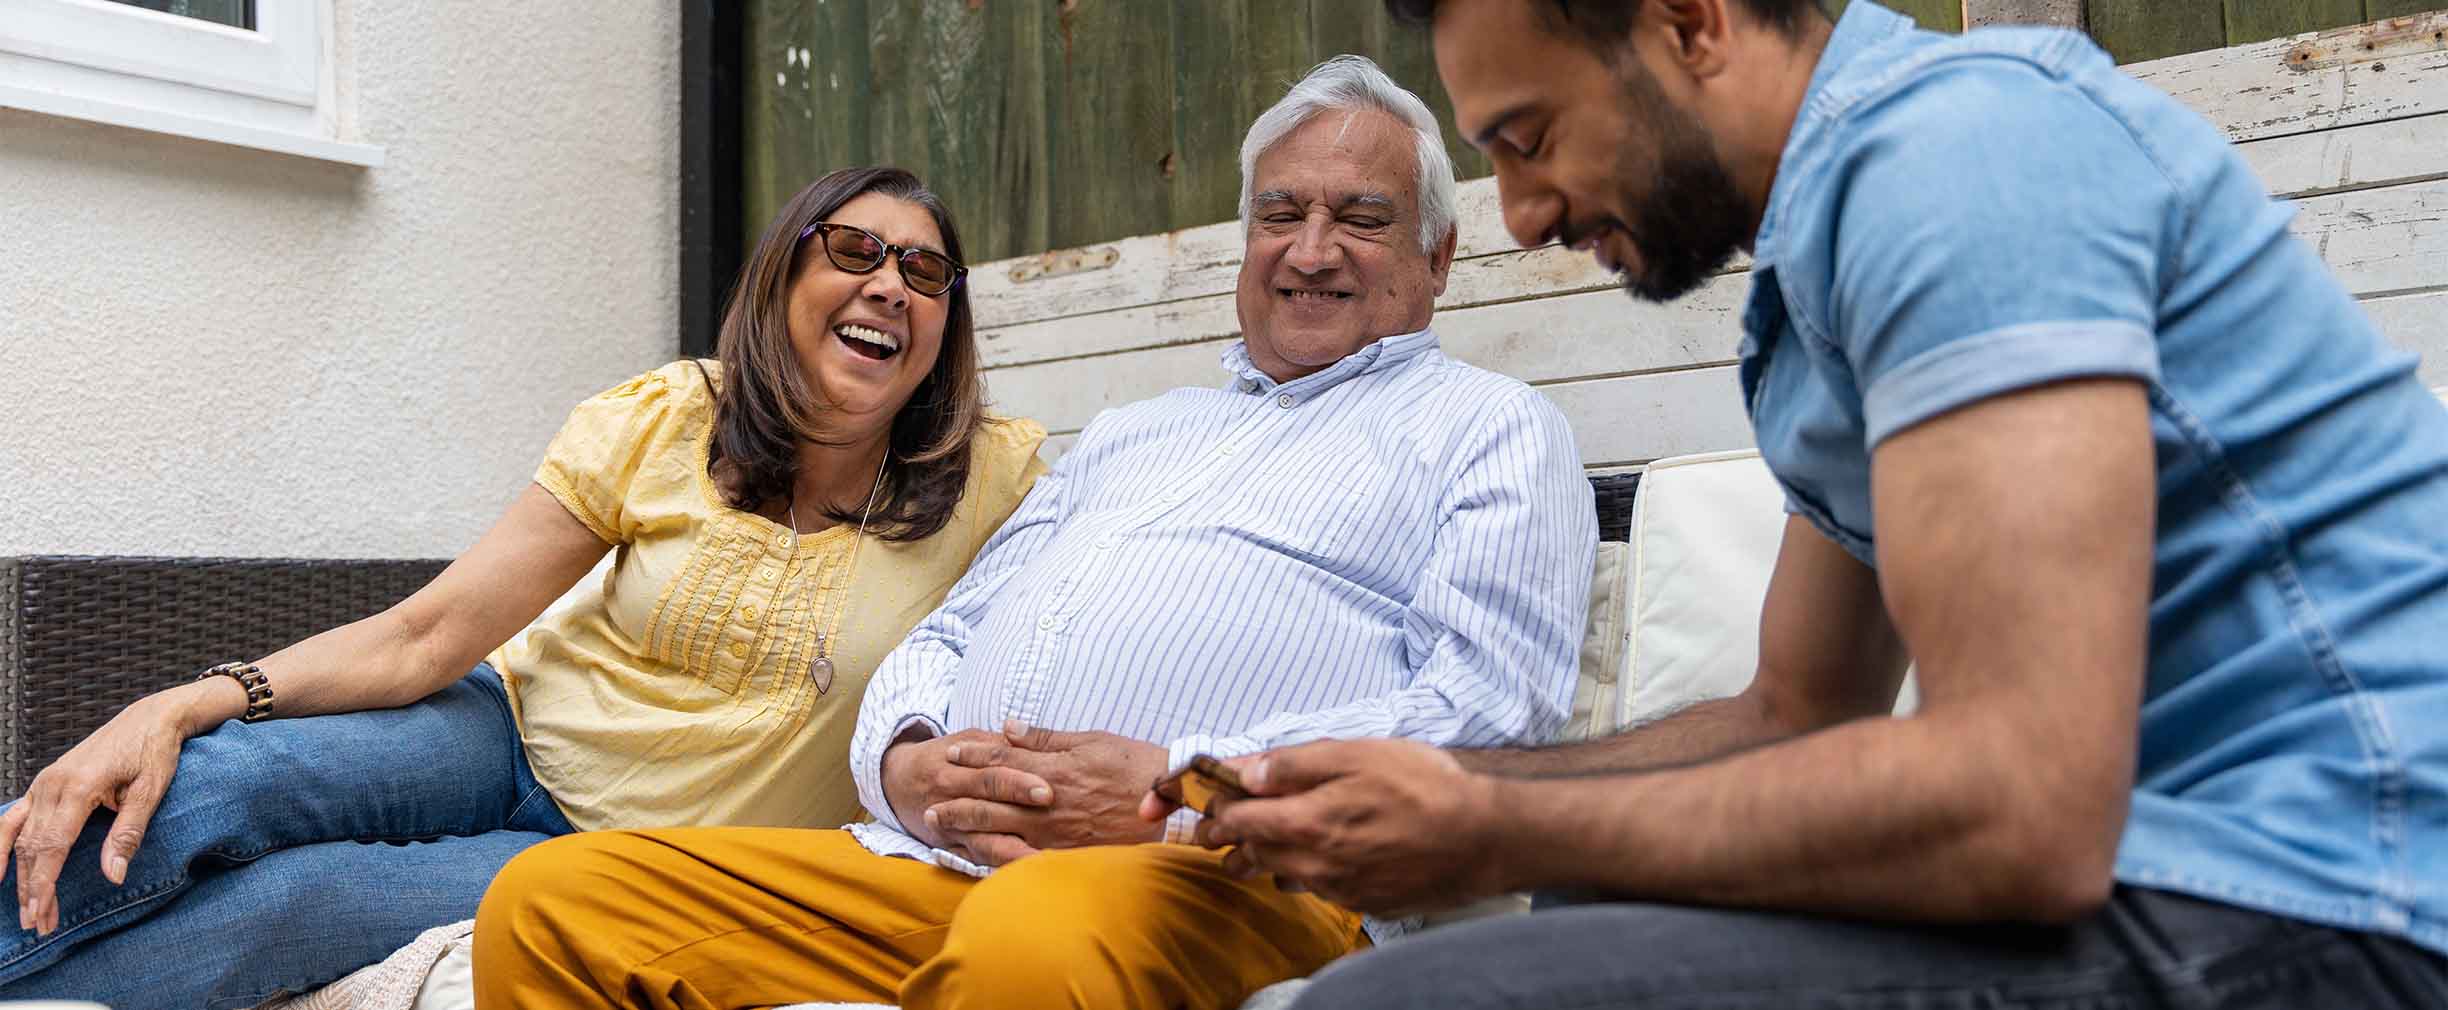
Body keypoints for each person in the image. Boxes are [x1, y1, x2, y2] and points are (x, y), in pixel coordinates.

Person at [1180, 1, 2448, 1007]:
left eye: (1528, 137)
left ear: (1691, 24)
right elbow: (1792, 712)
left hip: (2350, 891)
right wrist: (1401, 784)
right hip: (2179, 871)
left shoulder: (1955, 160)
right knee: (1579, 906)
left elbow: (2026, 807)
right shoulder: (1826, 269)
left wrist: (1493, 829)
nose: (1521, 216)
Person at [470, 56, 1597, 1010]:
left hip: (1233, 879)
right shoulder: (1129, 433)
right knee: (556, 902)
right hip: (937, 858)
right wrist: (906, 761)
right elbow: (952, 628)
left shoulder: (1492, 428)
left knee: (1030, 934)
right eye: (1280, 214)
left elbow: (1493, 711)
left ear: (1439, 260)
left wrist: (1184, 784)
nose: (1311, 248)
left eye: (1361, 218)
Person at [0, 166, 1047, 1009]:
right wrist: (187, 699)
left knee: (284, 905)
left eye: (925, 271)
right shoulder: (674, 414)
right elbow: (429, 631)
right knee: (220, 783)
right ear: (782, 280)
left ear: (943, 328)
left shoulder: (997, 481)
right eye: (855, 250)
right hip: (502, 727)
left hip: (616, 858)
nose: (889, 284)